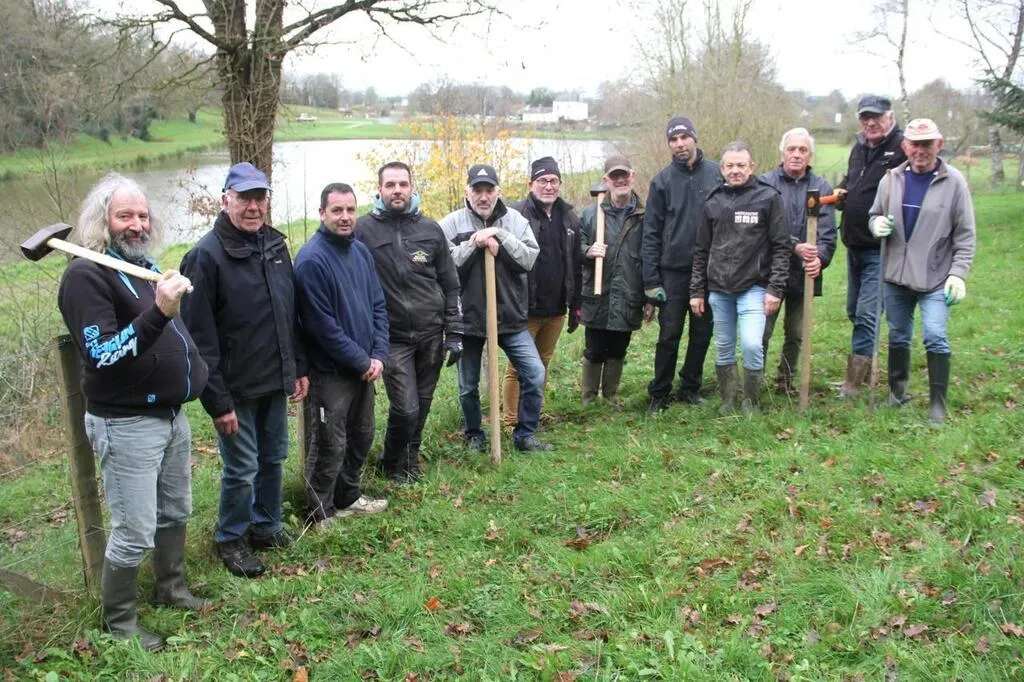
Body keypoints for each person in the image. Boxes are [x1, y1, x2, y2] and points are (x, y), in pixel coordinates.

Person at [58, 173, 209, 651]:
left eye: (143, 215)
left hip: (169, 416)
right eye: (125, 215)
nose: (137, 223)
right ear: (102, 221)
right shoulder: (86, 276)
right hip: (126, 423)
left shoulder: (140, 267)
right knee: (134, 530)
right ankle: (120, 623)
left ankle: (172, 589)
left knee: (175, 511)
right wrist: (160, 312)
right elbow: (103, 353)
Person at [179, 162, 308, 579]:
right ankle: (230, 537)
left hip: (274, 378)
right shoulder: (205, 256)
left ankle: (266, 525)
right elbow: (198, 337)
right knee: (242, 467)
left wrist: (298, 368)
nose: (253, 207)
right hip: (234, 389)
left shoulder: (274, 245)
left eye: (259, 198)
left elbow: (288, 313)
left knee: (274, 458)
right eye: (244, 199)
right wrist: (217, 401)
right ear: (225, 200)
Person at [355, 163, 463, 483]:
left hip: (431, 332)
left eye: (403, 184)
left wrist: (454, 331)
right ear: (380, 190)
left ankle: (409, 458)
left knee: (424, 403)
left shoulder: (431, 230)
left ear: (412, 187)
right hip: (392, 336)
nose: (397, 190)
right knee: (405, 408)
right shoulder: (363, 231)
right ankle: (391, 461)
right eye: (390, 185)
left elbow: (450, 283)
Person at [867, 118, 975, 424]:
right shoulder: (890, 179)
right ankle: (896, 394)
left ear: (938, 145)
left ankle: (937, 404)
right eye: (915, 144)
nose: (920, 150)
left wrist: (958, 273)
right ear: (905, 146)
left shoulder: (954, 183)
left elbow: (966, 235)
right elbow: (874, 214)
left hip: (936, 277)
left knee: (935, 336)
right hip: (896, 277)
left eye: (927, 144)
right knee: (898, 335)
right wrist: (876, 225)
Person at [439, 164, 551, 452]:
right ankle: (474, 434)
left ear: (498, 192)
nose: (484, 196)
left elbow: (529, 258)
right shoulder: (450, 224)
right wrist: (472, 244)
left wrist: (499, 236)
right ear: (468, 192)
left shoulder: (515, 221)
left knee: (535, 373)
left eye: (489, 190)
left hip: (510, 317)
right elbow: (442, 265)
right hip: (469, 321)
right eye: (478, 190)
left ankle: (525, 434)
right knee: (467, 386)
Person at [296, 183, 390, 523]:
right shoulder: (311, 260)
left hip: (365, 368)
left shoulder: (360, 252)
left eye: (351, 210)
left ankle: (349, 496)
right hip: (330, 374)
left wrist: (378, 353)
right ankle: (319, 513)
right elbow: (322, 328)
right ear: (322, 213)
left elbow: (378, 304)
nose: (346, 217)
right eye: (337, 210)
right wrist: (362, 360)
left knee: (362, 435)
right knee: (328, 443)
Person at [690, 142, 790, 416]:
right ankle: (728, 400)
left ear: (751, 167)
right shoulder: (712, 200)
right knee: (723, 345)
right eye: (730, 166)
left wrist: (775, 289)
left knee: (751, 343)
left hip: (754, 288)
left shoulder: (768, 198)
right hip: (719, 289)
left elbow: (781, 247)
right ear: (722, 169)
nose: (735, 171)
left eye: (741, 165)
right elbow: (701, 250)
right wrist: (696, 291)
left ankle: (751, 401)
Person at [641, 116, 722, 414]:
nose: (679, 145)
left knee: (702, 333)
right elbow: (650, 233)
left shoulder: (717, 174)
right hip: (672, 272)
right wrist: (651, 281)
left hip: (709, 270)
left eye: (683, 138)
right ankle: (659, 392)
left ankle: (690, 386)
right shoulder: (662, 182)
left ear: (694, 138)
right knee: (669, 334)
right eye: (673, 140)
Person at [835, 95, 907, 397]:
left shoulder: (901, 148)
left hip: (881, 248)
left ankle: (853, 384)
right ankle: (861, 372)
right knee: (854, 310)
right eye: (865, 117)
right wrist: (842, 190)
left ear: (889, 117)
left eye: (876, 117)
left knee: (866, 314)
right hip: (854, 245)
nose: (870, 123)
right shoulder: (859, 147)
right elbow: (855, 182)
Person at [759, 128, 838, 395]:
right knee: (762, 332)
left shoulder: (821, 187)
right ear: (782, 152)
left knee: (796, 333)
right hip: (770, 272)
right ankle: (754, 382)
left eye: (802, 150)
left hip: (805, 274)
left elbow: (827, 234)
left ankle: (785, 381)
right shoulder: (766, 183)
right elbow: (761, 228)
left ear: (810, 155)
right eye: (791, 149)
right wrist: (794, 245)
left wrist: (821, 260)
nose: (796, 155)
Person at [506, 157, 583, 425]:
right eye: (542, 181)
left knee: (543, 362)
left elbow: (575, 263)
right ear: (531, 184)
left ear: (559, 184)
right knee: (518, 368)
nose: (548, 186)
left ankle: (533, 415)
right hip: (525, 308)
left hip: (556, 307)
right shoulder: (515, 216)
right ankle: (510, 420)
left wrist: (575, 305)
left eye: (553, 181)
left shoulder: (569, 216)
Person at [578, 155, 646, 405]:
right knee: (594, 349)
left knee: (618, 348)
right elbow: (574, 248)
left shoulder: (644, 216)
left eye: (624, 175)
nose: (620, 180)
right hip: (597, 294)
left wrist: (649, 296)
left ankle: (610, 396)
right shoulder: (590, 214)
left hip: (629, 292)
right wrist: (587, 251)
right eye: (614, 176)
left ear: (633, 176)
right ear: (605, 181)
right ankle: (588, 398)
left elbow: (651, 256)